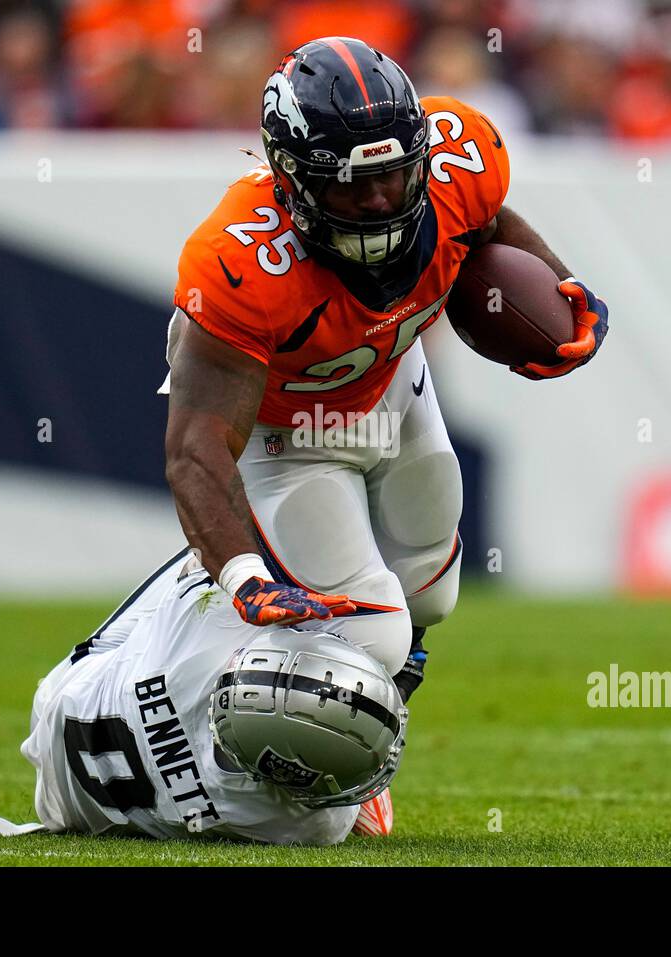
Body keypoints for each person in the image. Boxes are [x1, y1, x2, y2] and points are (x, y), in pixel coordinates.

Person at [163, 37, 609, 705]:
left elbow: (484, 223)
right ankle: (214, 698)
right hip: (284, 431)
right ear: (292, 178)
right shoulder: (242, 263)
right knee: (370, 636)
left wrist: (566, 286)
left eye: (392, 176)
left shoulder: (462, 160)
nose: (377, 201)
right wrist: (241, 573)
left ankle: (377, 727)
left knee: (433, 582)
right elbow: (195, 447)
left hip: (390, 380)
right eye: (350, 183)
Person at [21, 548, 406, 844]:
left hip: (61, 703)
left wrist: (247, 580)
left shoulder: (205, 634)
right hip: (78, 810)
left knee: (210, 557)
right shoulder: (315, 825)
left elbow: (210, 556)